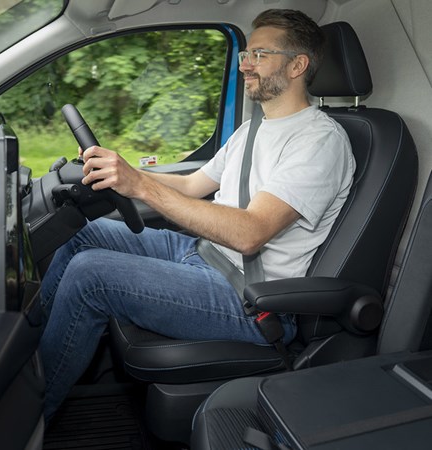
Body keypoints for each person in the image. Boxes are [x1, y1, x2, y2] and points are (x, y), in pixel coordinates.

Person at [39, 8, 355, 421]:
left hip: (252, 299)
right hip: (202, 254)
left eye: (260, 54)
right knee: (83, 233)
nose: (245, 64)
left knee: (91, 273)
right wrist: (126, 172)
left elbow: (250, 233)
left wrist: (141, 187)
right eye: (245, 53)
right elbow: (192, 185)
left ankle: (31, 410)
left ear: (298, 65)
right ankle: (31, 352)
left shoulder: (320, 142)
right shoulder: (252, 129)